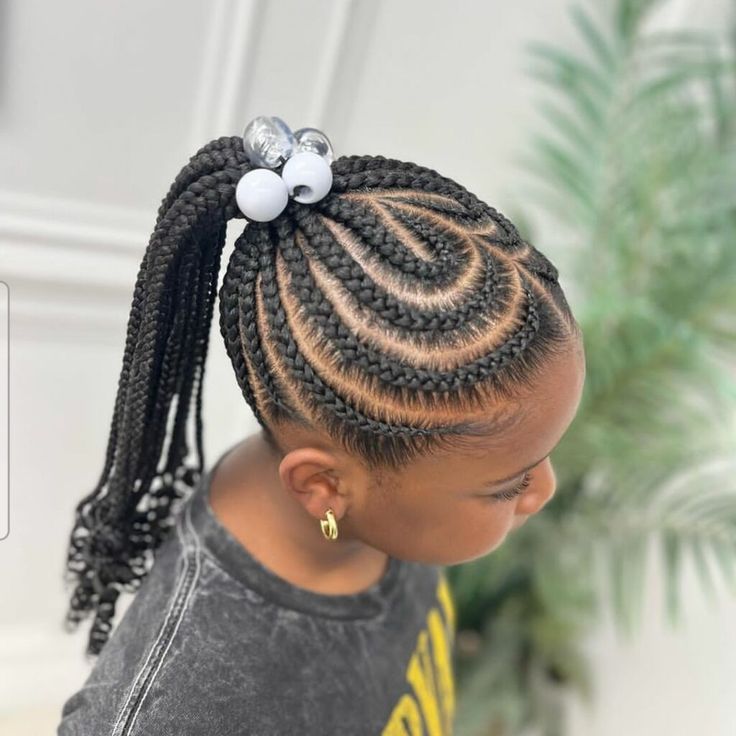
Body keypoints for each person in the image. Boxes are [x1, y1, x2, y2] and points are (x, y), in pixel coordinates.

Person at [56, 117, 586, 735]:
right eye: (508, 483)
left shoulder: (392, 498)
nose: (544, 490)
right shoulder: (175, 713)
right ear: (322, 488)